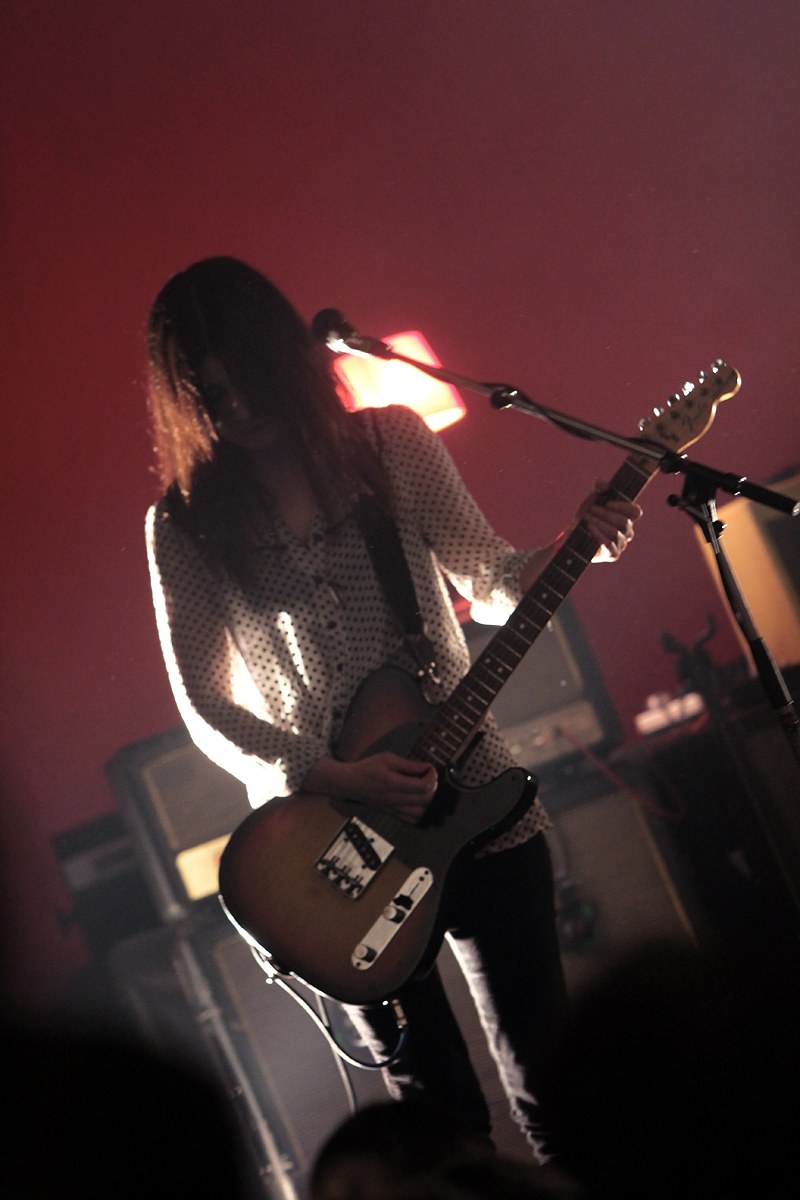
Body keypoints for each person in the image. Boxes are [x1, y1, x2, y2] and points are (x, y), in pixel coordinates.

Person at [144, 255, 641, 1160]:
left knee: (553, 1089)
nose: (238, 408)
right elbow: (206, 704)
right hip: (330, 851)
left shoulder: (390, 443)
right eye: (210, 396)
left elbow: (489, 577)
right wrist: (329, 772)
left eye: (245, 378)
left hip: (473, 799)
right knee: (438, 1119)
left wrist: (577, 546)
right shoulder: (183, 523)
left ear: (284, 358)